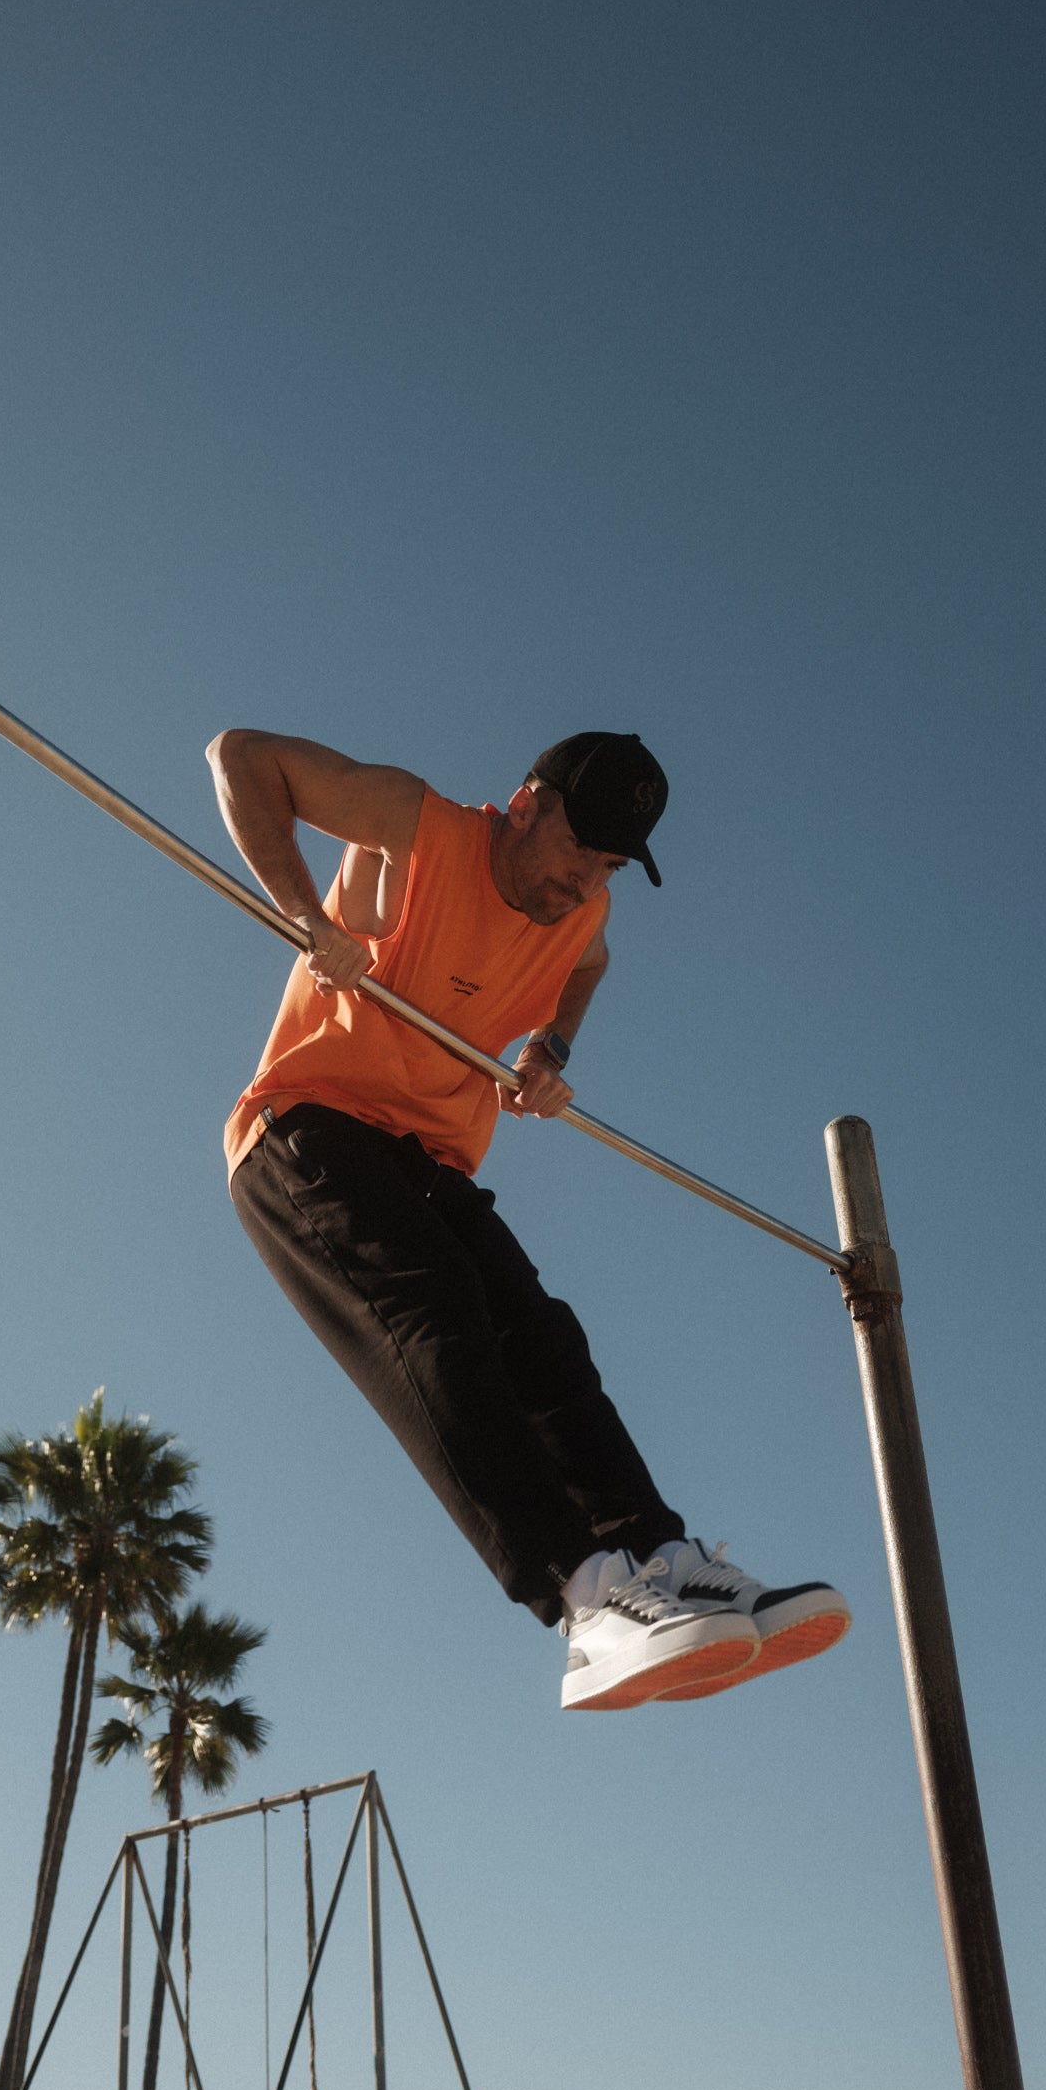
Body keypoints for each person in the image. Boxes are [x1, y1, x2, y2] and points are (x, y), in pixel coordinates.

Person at [209, 726, 850, 1710]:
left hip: (426, 1156)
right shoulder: (415, 830)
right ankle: (587, 1602)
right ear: (526, 802)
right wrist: (304, 915)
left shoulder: (580, 914)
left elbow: (588, 966)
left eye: (608, 864)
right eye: (576, 847)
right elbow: (240, 757)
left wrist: (549, 1051)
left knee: (544, 1342)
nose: (583, 878)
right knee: (437, 1310)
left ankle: (661, 1560)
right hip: (308, 1132)